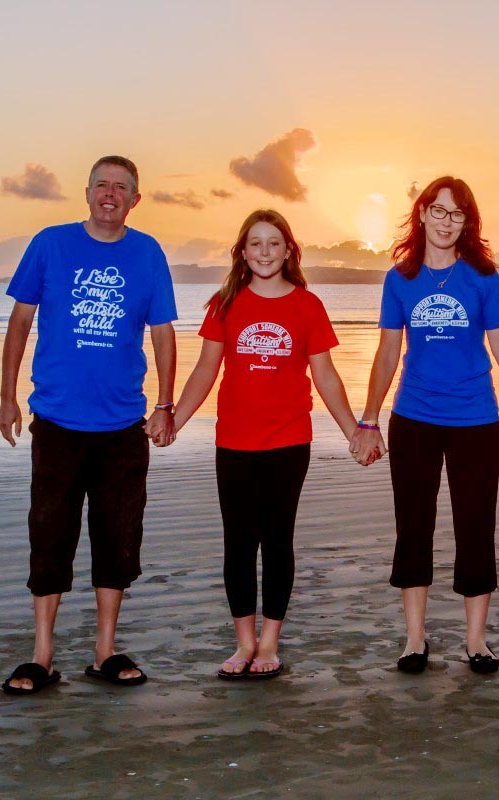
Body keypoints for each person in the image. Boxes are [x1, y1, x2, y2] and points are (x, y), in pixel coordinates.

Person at [350, 176, 499, 675]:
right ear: (421, 215)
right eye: (437, 211)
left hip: (475, 420)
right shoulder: (400, 279)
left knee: (475, 528)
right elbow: (389, 352)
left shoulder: (483, 277)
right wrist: (369, 420)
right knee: (412, 527)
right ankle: (415, 639)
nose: (445, 220)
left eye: (455, 213)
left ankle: (476, 640)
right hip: (414, 418)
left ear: (467, 221)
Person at [0, 155, 177, 694]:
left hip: (123, 425)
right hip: (56, 421)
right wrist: (7, 398)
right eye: (103, 184)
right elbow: (20, 322)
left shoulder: (147, 253)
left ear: (134, 200)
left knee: (117, 537)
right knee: (49, 534)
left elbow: (163, 333)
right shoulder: (50, 244)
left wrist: (166, 404)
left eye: (122, 187)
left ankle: (104, 650)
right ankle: (42, 655)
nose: (111, 193)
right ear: (87, 192)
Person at [168, 209, 362, 679]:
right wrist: (172, 418)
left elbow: (327, 377)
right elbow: (204, 372)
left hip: (289, 441)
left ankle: (270, 642)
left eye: (274, 243)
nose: (265, 252)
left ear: (289, 250)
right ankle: (243, 643)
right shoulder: (225, 304)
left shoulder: (306, 306)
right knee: (238, 544)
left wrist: (354, 430)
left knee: (277, 542)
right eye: (255, 243)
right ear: (242, 251)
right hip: (234, 441)